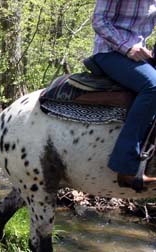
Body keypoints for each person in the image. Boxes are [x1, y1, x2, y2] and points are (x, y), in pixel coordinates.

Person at [91, 0, 156, 189]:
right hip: (110, 51)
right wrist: (127, 47)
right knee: (153, 87)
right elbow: (99, 20)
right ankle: (126, 167)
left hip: (141, 54)